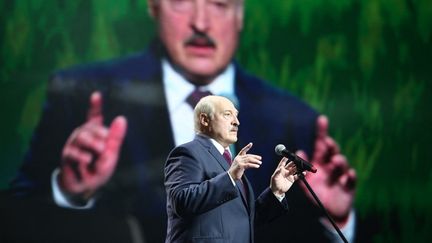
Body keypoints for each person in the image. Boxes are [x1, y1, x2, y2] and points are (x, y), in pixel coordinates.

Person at [6, 0, 357, 242]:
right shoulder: (82, 96)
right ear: (153, 7)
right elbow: (186, 205)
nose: (200, 22)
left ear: (240, 15)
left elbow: (244, 221)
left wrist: (325, 213)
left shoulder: (294, 119)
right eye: (181, 1)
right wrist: (68, 190)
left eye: (219, 3)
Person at [165, 95, 299, 242]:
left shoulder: (228, 161)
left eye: (236, 115)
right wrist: (230, 177)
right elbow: (182, 202)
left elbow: (245, 220)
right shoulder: (188, 153)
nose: (236, 122)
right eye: (227, 114)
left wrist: (276, 192)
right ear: (204, 120)